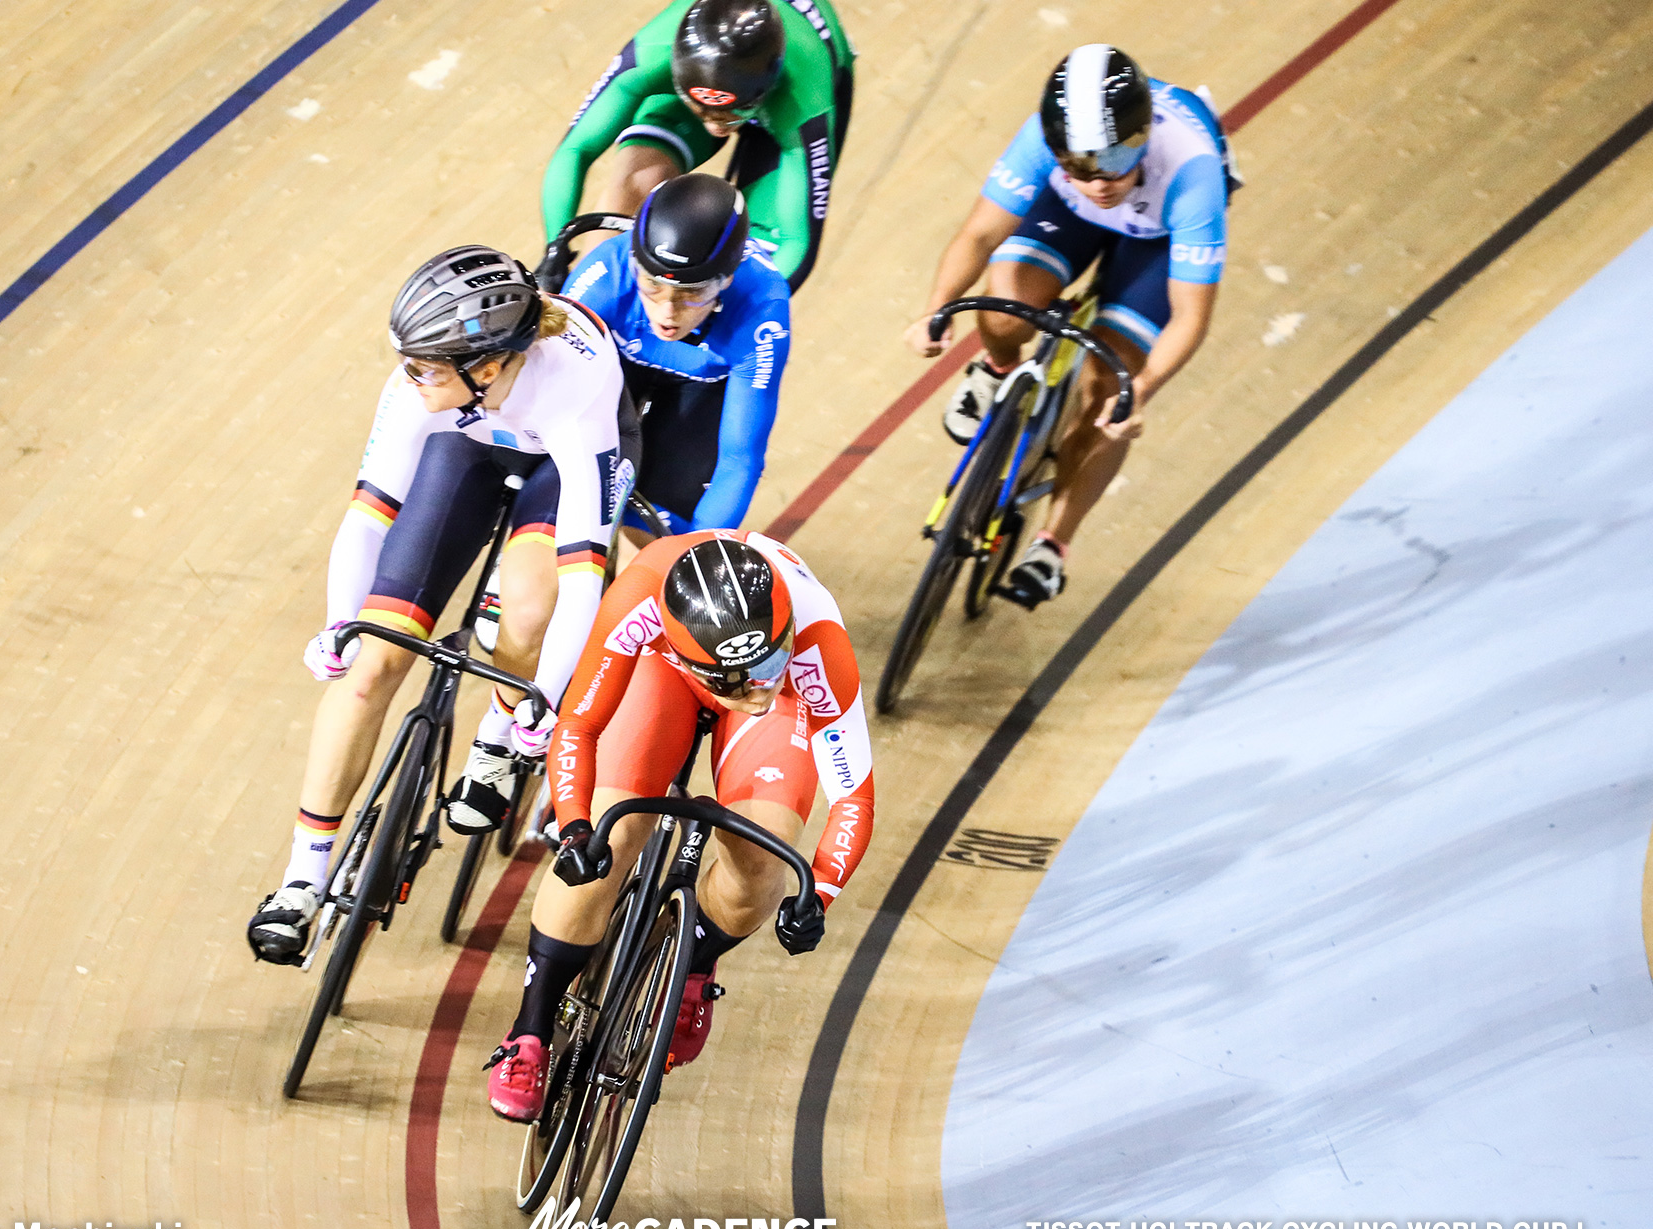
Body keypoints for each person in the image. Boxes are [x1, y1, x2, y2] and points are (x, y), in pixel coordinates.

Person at [247, 246, 634, 963]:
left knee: (525, 612)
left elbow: (582, 578)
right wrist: (340, 625)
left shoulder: (574, 394)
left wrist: (539, 702)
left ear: (486, 365)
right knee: (369, 664)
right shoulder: (425, 384)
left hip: (560, 463)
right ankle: (304, 876)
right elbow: (369, 516)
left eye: (424, 365)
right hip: (466, 441)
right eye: (407, 360)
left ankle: (494, 737)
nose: (407, 375)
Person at [484, 532, 875, 1122]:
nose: (756, 687)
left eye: (767, 662)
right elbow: (579, 728)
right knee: (606, 844)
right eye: (736, 680)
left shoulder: (815, 641)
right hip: (662, 670)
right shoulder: (639, 598)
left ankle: (693, 960)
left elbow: (855, 798)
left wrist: (819, 891)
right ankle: (530, 1030)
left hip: (781, 693)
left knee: (762, 864)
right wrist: (573, 829)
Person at [903, 44, 1234, 605]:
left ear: (1144, 134)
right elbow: (980, 235)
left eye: (1116, 159)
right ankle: (997, 369)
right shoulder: (1041, 138)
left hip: (1156, 240)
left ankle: (1054, 544)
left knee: (1111, 392)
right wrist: (936, 309)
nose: (1101, 181)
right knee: (999, 306)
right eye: (1080, 165)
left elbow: (1190, 317)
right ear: (1057, 148)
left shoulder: (1194, 174)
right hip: (1068, 217)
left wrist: (1142, 391)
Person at [541, 0, 854, 292]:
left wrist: (719, 306)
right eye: (703, 109)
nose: (715, 125)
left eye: (731, 113)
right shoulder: (651, 55)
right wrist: (556, 247)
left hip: (795, 94)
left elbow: (797, 242)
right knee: (633, 183)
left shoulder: (804, 102)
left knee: (756, 263)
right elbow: (575, 150)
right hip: (729, 88)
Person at [561, 173, 792, 566]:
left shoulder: (761, 310)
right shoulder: (605, 277)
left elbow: (740, 459)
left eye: (693, 293)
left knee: (649, 551)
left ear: (727, 280)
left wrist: (690, 555)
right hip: (614, 366)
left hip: (701, 386)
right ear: (634, 265)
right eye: (652, 287)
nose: (668, 311)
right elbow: (548, 397)